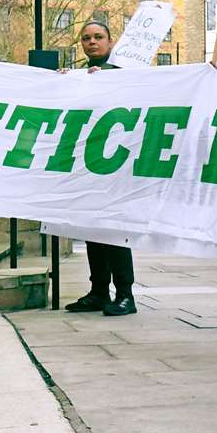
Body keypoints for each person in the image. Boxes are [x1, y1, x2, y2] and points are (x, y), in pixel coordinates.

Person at [65, 20, 138, 317]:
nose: (92, 42)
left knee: (114, 232)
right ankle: (98, 291)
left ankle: (125, 295)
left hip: (117, 165)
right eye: (86, 38)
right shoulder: (81, 75)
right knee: (92, 230)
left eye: (98, 37)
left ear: (111, 41)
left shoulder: (125, 74)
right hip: (90, 164)